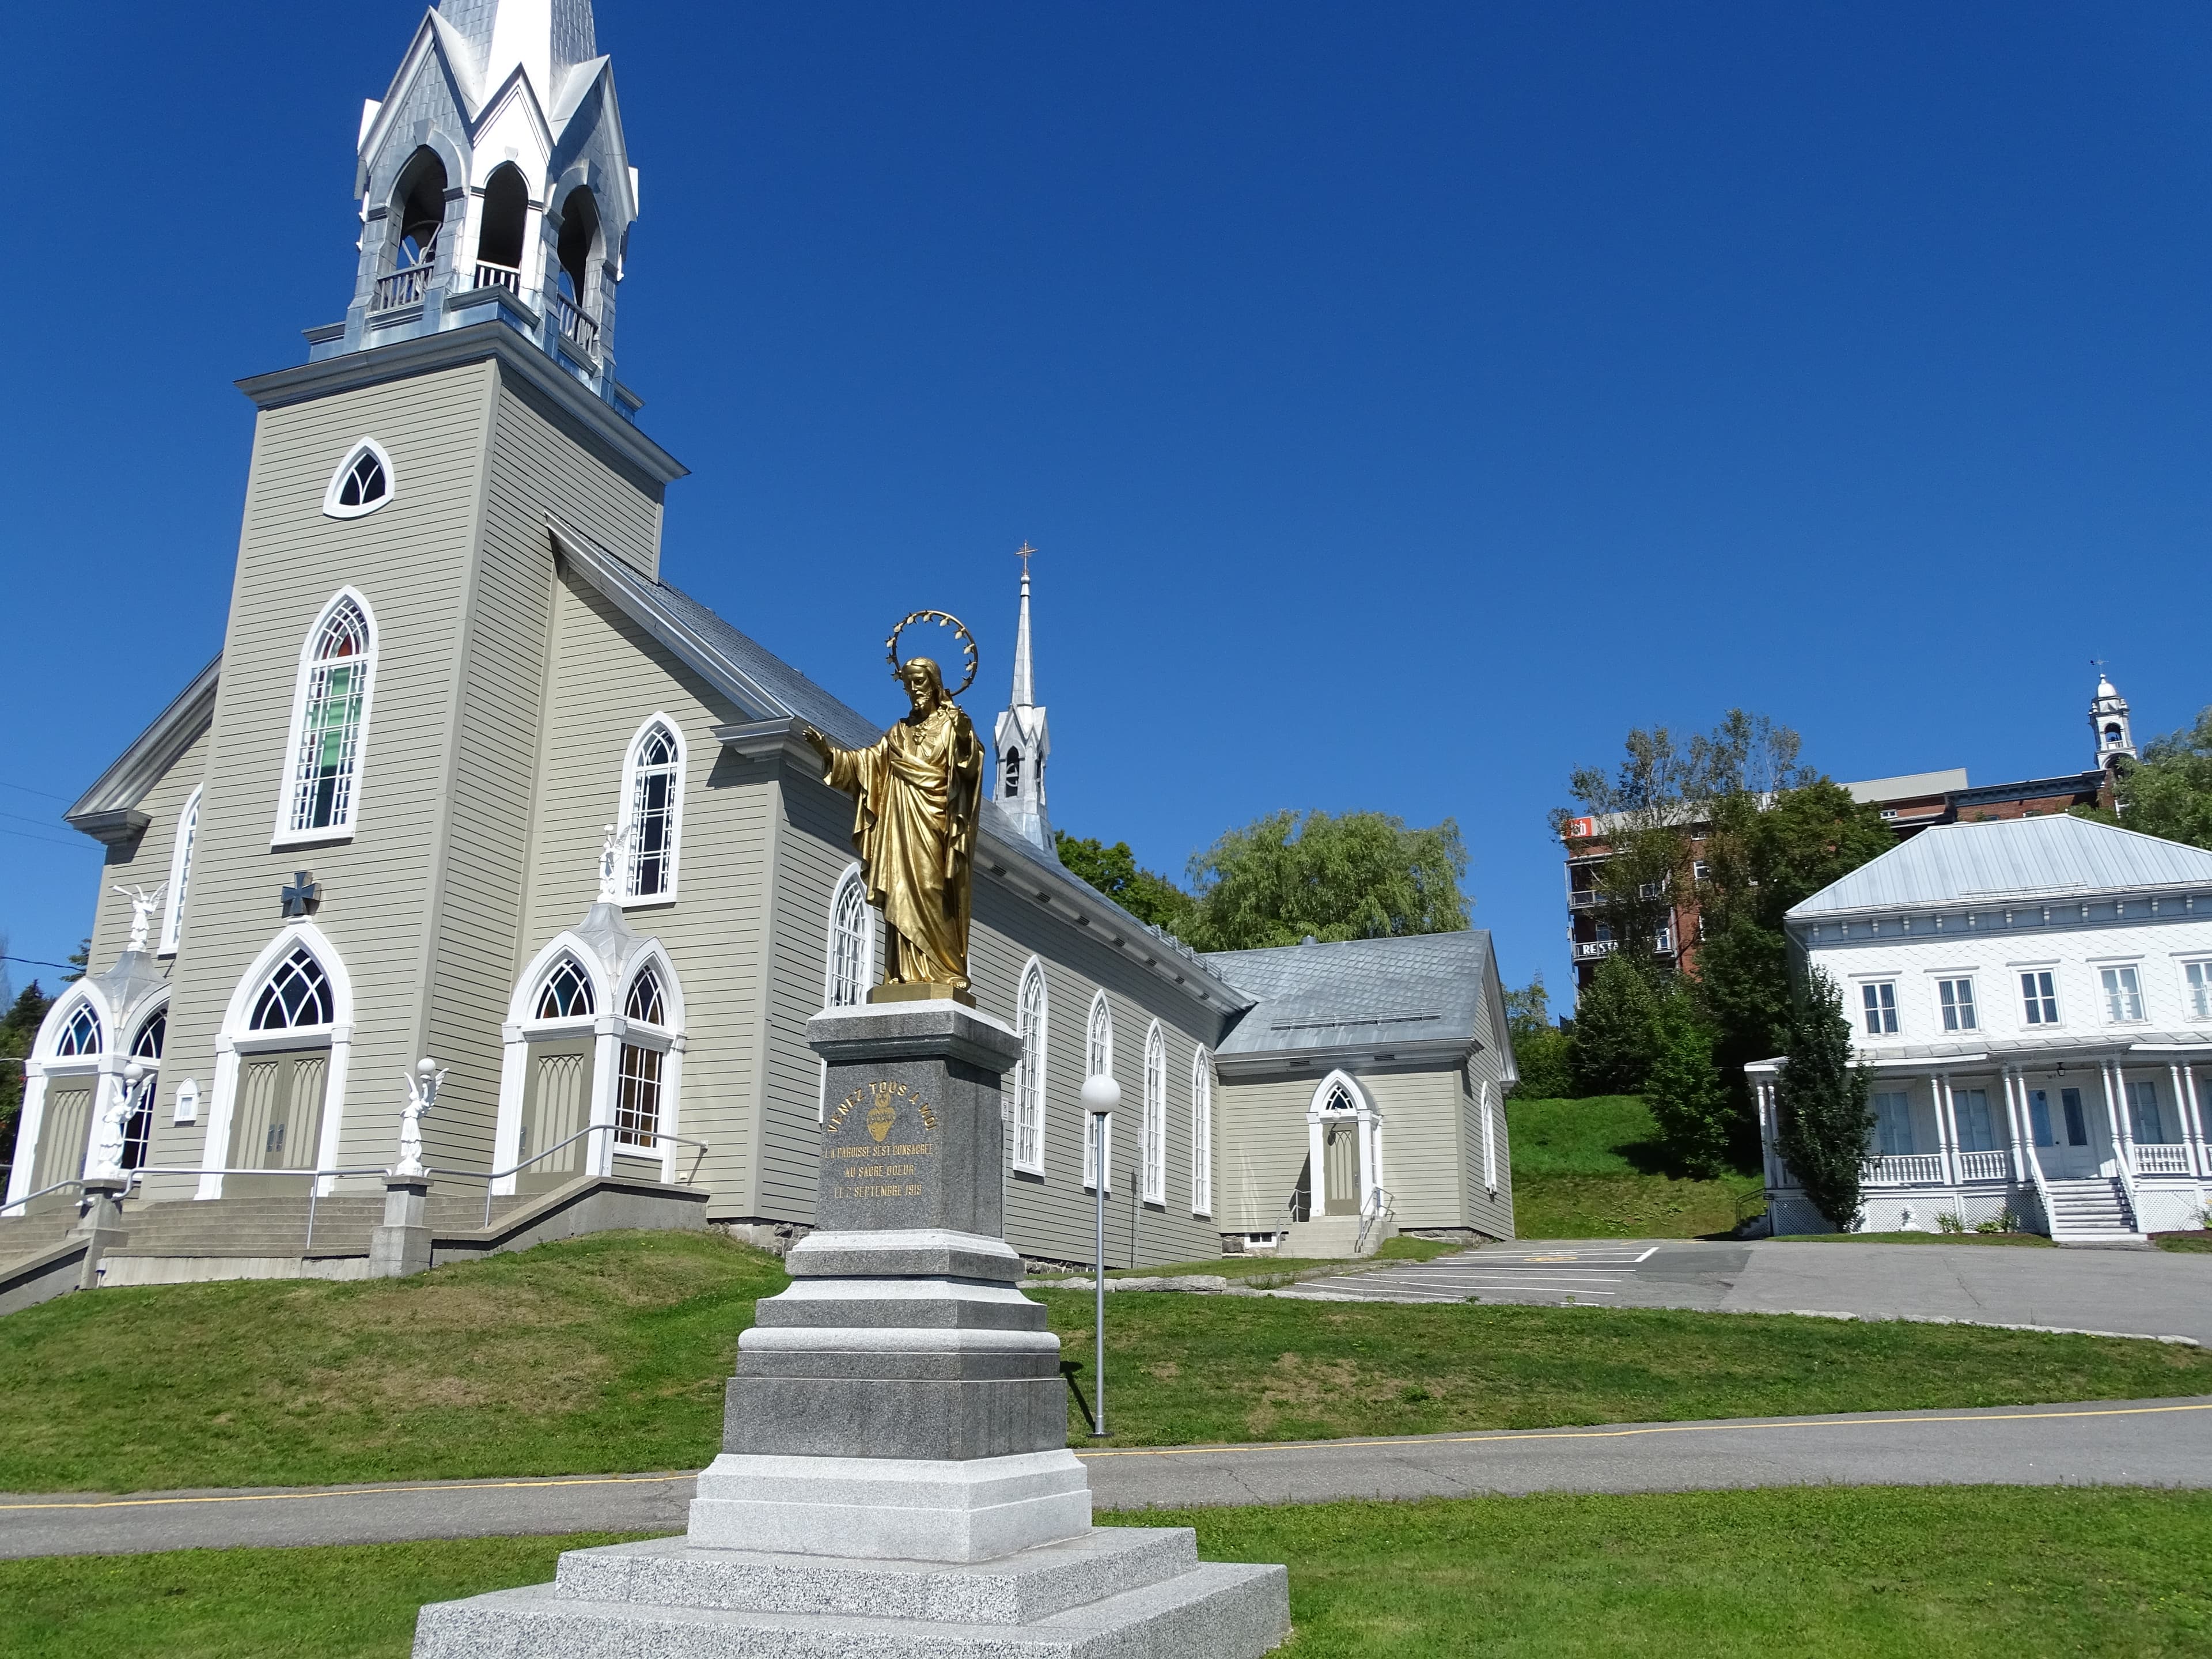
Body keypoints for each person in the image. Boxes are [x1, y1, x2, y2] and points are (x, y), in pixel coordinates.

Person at [804, 657, 983, 997]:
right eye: (907, 684)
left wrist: (962, 735)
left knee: (932, 889)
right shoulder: (898, 731)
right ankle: (902, 973)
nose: (913, 690)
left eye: (919, 682)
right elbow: (866, 763)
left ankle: (945, 969)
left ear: (934, 683)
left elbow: (968, 765)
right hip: (899, 824)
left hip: (934, 822)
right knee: (900, 889)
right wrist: (828, 752)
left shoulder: (952, 724)